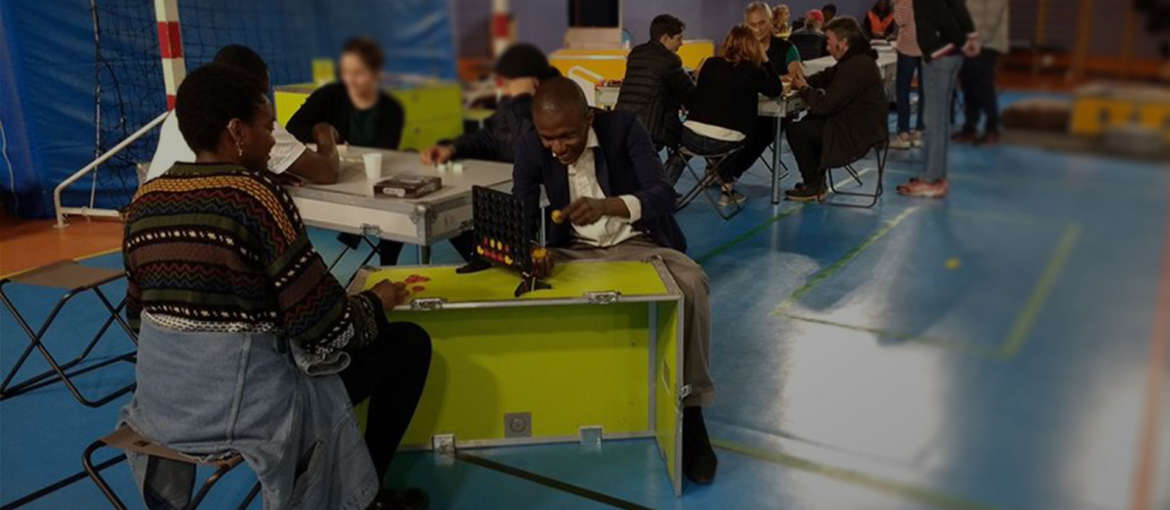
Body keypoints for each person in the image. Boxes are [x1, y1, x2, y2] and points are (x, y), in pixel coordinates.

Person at [119, 63, 431, 510]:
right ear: (236, 131)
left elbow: (136, 318)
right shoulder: (256, 197)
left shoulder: (146, 200)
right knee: (406, 345)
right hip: (248, 412)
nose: (273, 140)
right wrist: (374, 302)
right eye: (267, 127)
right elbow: (328, 329)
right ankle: (367, 498)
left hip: (161, 409)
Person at [513, 77, 718, 485]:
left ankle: (691, 411)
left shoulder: (624, 128)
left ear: (589, 118)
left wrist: (609, 206)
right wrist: (533, 252)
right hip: (571, 251)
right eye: (548, 138)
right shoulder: (531, 144)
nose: (557, 148)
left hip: (639, 242)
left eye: (567, 136)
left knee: (692, 284)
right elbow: (520, 206)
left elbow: (664, 195)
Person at [286, 37, 408, 266]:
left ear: (376, 73)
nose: (350, 79)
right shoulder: (330, 94)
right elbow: (294, 127)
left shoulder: (392, 109)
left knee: (396, 206)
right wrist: (323, 132)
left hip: (370, 180)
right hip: (337, 178)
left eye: (358, 73)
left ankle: (387, 263)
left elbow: (384, 149)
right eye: (345, 72)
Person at [145, 45, 340, 185]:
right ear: (238, 130)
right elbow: (326, 172)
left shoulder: (182, 114)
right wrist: (324, 132)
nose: (272, 140)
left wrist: (262, 172)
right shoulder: (252, 119)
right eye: (260, 93)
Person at [664, 24, 783, 200]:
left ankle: (659, 192)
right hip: (724, 141)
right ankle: (727, 190)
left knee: (685, 151)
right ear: (753, 45)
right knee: (742, 136)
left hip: (690, 137)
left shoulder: (709, 63)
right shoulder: (753, 70)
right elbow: (776, 90)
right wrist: (766, 60)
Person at [785, 17, 888, 201]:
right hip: (856, 124)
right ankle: (815, 182)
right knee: (808, 122)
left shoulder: (857, 66)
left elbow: (826, 105)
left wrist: (803, 89)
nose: (827, 47)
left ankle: (814, 185)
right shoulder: (856, 60)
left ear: (843, 43)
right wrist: (803, 80)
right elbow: (827, 76)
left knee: (797, 130)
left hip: (857, 133)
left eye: (829, 42)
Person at [714, 2, 803, 206]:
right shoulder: (738, 47)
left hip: (774, 111)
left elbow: (794, 76)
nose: (758, 29)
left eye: (762, 23)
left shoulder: (787, 48)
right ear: (747, 25)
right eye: (753, 24)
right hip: (741, 107)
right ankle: (720, 168)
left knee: (760, 131)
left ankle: (729, 173)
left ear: (771, 22)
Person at [421, 43, 557, 166]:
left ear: (535, 83)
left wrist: (521, 99)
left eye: (508, 84)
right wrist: (452, 148)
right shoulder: (511, 105)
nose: (503, 91)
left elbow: (527, 151)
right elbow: (489, 138)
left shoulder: (555, 110)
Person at [897, 0, 979, 198]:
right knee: (939, 119)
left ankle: (932, 179)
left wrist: (963, 41)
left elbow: (943, 16)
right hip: (949, 54)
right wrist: (969, 38)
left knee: (933, 120)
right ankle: (935, 175)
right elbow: (958, 7)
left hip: (940, 55)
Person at [614, 14, 696, 151]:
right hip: (651, 130)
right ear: (665, 38)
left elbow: (655, 82)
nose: (681, 43)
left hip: (622, 123)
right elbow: (689, 96)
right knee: (687, 140)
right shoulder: (670, 60)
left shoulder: (636, 53)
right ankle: (669, 172)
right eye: (679, 38)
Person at [953, 0, 1009, 146]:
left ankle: (992, 129)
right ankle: (969, 127)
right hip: (969, 43)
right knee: (968, 86)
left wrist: (976, 41)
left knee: (984, 88)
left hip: (987, 44)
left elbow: (992, 18)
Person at [890, 0, 924, 149]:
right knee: (926, 91)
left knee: (902, 90)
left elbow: (900, 20)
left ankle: (903, 132)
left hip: (907, 48)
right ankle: (919, 131)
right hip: (927, 46)